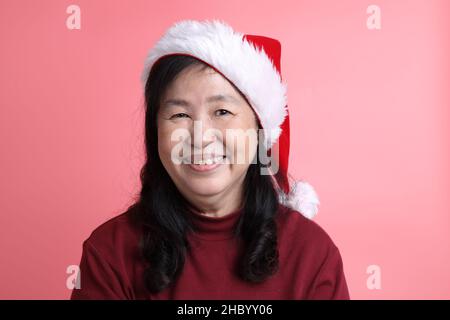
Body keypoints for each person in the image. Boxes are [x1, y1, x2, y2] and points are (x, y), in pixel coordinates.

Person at [71, 19, 350, 300]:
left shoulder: (312, 254)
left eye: (222, 112)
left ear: (258, 130)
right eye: (180, 115)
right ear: (155, 132)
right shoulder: (109, 254)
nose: (200, 136)